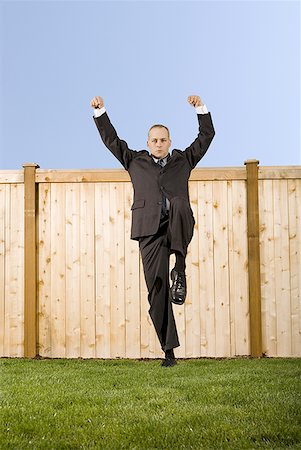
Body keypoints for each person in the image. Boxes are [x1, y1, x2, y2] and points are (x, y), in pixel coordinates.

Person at [90, 94, 215, 366]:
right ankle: (168, 352)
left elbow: (207, 135)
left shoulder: (184, 160)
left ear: (170, 143)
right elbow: (111, 140)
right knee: (156, 290)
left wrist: (200, 109)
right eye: (155, 140)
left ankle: (179, 268)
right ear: (148, 143)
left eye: (163, 140)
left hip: (177, 225)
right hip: (149, 230)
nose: (159, 144)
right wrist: (101, 113)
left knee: (181, 203)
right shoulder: (135, 160)